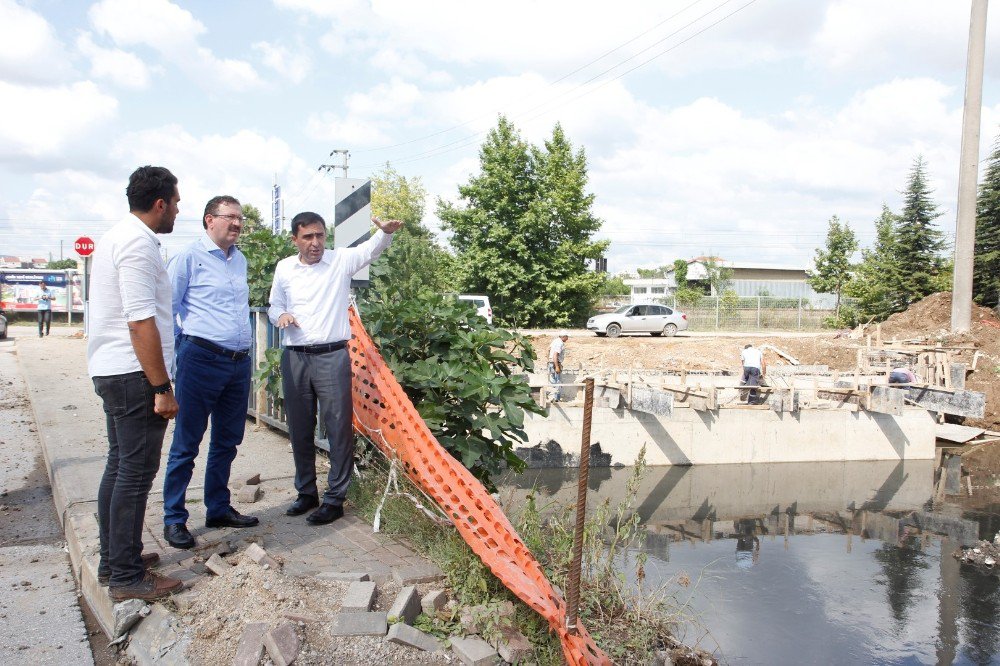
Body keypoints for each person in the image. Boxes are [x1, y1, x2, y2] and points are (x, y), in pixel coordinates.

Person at [267, 211, 402, 525]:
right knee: (299, 428)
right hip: (295, 356)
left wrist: (385, 233)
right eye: (307, 237)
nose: (315, 243)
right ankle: (306, 493)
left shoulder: (340, 260)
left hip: (332, 356)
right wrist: (280, 316)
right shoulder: (284, 268)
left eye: (319, 235)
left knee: (338, 427)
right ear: (295, 239)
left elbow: (370, 250)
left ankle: (335, 498)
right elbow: (274, 304)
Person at [87, 166, 182, 601]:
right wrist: (161, 387)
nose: (178, 210)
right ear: (160, 203)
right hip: (134, 374)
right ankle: (126, 577)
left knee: (120, 466)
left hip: (114, 369)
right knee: (136, 474)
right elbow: (141, 321)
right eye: (176, 202)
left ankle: (115, 559)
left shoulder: (118, 235)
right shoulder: (139, 244)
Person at [160, 195, 256, 550]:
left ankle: (217, 507)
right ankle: (174, 518)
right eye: (230, 217)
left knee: (227, 441)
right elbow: (166, 312)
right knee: (187, 443)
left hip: (237, 362)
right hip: (200, 359)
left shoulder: (239, 260)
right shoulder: (188, 257)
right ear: (208, 220)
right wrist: (172, 365)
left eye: (240, 218)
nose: (237, 224)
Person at [548, 331, 569, 402]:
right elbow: (555, 355)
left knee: (553, 380)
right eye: (567, 337)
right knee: (558, 381)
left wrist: (549, 359)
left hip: (551, 363)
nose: (567, 339)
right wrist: (557, 366)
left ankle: (552, 397)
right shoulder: (560, 343)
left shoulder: (555, 340)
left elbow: (548, 349)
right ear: (563, 336)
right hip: (555, 363)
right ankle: (556, 398)